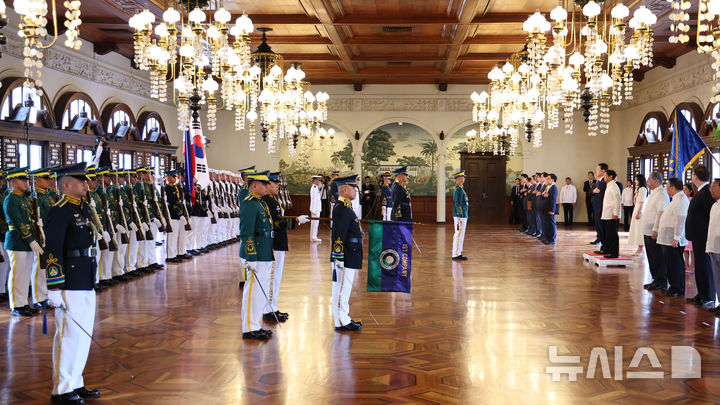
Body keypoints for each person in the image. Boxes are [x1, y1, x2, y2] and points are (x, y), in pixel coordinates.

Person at [43, 163, 101, 405]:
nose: (86, 184)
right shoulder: (60, 211)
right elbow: (53, 248)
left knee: (83, 335)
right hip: (68, 279)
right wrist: (54, 287)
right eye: (80, 181)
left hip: (85, 275)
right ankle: (62, 388)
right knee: (69, 335)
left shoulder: (84, 209)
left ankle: (75, 381)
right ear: (66, 185)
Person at [262, 172, 309, 323]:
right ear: (267, 184)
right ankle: (268, 309)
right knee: (272, 277)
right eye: (275, 184)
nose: (278, 186)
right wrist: (295, 221)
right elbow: (275, 223)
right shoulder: (267, 201)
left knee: (276, 278)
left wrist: (294, 220)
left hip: (279, 243)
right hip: (274, 243)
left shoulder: (272, 200)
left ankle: (273, 307)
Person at [239, 171, 274, 340]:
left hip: (265, 252)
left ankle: (256, 324)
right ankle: (249, 328)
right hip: (257, 254)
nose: (267, 186)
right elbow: (247, 233)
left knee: (260, 292)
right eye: (264, 184)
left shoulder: (261, 203)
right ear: (253, 186)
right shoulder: (249, 204)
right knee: (252, 291)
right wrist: (250, 256)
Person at [5, 167, 44, 317]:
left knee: (25, 274)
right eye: (22, 180)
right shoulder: (11, 199)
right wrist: (30, 239)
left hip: (27, 242)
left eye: (26, 180)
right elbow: (19, 222)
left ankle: (23, 303)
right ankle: (16, 305)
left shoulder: (23, 198)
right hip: (17, 241)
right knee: (17, 274)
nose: (26, 183)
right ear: (13, 182)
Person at [330, 175, 363, 332]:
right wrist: (338, 257)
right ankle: (341, 321)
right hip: (344, 256)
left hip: (350, 253)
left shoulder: (347, 206)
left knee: (345, 288)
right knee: (341, 289)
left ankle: (344, 318)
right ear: (344, 189)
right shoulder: (342, 209)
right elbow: (338, 235)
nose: (356, 190)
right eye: (353, 187)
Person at [685, 165, 716, 307]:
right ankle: (701, 293)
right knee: (700, 265)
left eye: (692, 175)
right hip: (697, 236)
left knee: (705, 266)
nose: (692, 177)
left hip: (703, 236)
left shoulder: (707, 192)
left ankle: (708, 295)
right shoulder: (700, 191)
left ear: (695, 177)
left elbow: (711, 215)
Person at [656, 177, 689, 297]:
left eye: (667, 186)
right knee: (670, 263)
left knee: (675, 264)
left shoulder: (680, 199)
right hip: (669, 237)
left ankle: (677, 288)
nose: (666, 189)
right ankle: (674, 286)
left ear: (673, 188)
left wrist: (676, 237)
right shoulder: (675, 199)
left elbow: (680, 219)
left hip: (674, 239)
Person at [642, 172, 670, 291]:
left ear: (656, 181)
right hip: (647, 230)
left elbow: (661, 212)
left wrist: (656, 229)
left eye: (649, 179)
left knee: (657, 256)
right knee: (651, 256)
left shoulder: (662, 194)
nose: (647, 181)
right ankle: (655, 279)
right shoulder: (653, 193)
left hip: (654, 231)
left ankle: (661, 281)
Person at [706, 179, 720, 314]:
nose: (711, 190)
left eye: (714, 188)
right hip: (714, 246)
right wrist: (708, 246)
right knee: (717, 276)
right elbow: (711, 228)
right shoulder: (714, 205)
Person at [600, 169, 622, 258]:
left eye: (605, 175)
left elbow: (617, 200)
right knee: (607, 234)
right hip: (607, 214)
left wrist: (616, 213)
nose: (604, 177)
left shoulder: (613, 186)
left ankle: (614, 253)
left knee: (612, 234)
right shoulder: (609, 185)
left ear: (610, 177)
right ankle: (607, 250)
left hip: (612, 215)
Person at [627, 174, 647, 255]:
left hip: (640, 209)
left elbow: (642, 202)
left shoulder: (643, 189)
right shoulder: (638, 189)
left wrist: (639, 212)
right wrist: (635, 197)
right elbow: (635, 202)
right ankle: (639, 247)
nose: (635, 181)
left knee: (639, 229)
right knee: (636, 228)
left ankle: (640, 248)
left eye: (636, 180)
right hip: (637, 208)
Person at [452, 171, 468, 260]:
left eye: (464, 177)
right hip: (460, 215)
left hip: (462, 214)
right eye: (462, 177)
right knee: (458, 234)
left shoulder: (461, 188)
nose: (464, 178)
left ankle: (458, 252)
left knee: (461, 234)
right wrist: (460, 215)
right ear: (458, 179)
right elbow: (457, 203)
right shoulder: (458, 189)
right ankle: (456, 254)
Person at [591, 163, 608, 248]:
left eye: (597, 169)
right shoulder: (599, 181)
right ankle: (601, 242)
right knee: (598, 226)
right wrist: (594, 191)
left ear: (603, 171)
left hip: (601, 207)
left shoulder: (604, 182)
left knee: (602, 227)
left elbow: (602, 194)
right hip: (597, 207)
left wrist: (596, 192)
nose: (596, 171)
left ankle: (604, 245)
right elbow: (594, 191)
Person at [541, 173, 559, 245]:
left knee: (551, 224)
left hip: (550, 209)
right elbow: (543, 197)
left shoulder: (554, 188)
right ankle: (547, 238)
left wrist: (552, 210)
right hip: (545, 208)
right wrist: (543, 194)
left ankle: (552, 240)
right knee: (547, 224)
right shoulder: (548, 187)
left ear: (552, 180)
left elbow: (553, 200)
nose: (546, 180)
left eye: (548, 178)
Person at [683, 183, 695, 272]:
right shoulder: (682, 200)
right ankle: (686, 264)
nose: (684, 191)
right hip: (683, 225)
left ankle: (692, 265)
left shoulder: (692, 200)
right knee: (685, 248)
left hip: (690, 225)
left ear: (690, 191)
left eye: (686, 189)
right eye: (683, 189)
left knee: (692, 248)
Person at [309, 174, 323, 242]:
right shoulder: (314, 188)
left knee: (315, 223)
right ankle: (314, 236)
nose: (319, 181)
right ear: (315, 180)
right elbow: (314, 200)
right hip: (315, 209)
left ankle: (313, 236)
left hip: (316, 208)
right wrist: (314, 210)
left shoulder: (316, 187)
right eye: (318, 180)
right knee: (315, 223)